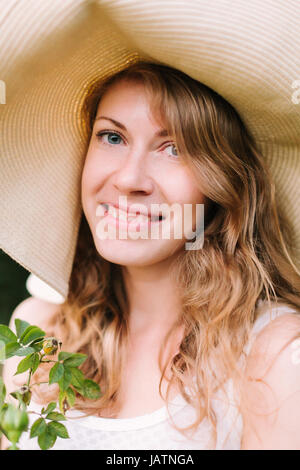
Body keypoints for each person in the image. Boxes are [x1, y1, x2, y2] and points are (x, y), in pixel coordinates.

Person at [2, 60, 300, 450]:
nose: (128, 179)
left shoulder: (274, 355)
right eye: (112, 137)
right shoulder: (38, 330)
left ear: (224, 182)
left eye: (174, 148)